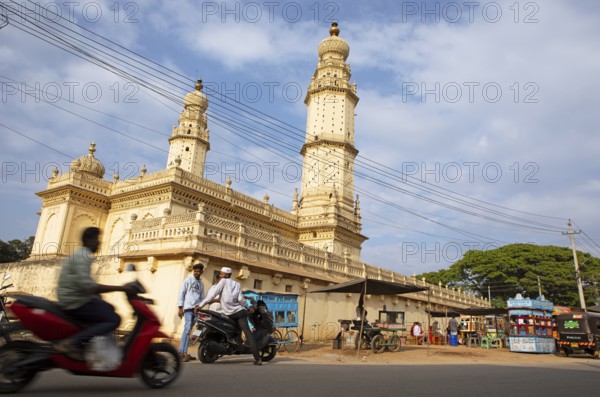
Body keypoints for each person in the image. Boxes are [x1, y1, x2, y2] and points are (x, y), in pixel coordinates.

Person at [55, 227, 134, 358]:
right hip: (74, 301)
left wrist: (98, 296)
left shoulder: (81, 255)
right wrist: (122, 288)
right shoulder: (83, 257)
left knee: (108, 308)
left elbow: (84, 284)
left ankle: (87, 344)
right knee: (114, 319)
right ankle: (73, 342)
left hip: (76, 298)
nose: (99, 243)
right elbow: (89, 286)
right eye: (97, 239)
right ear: (89, 240)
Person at [195, 266, 262, 365]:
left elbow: (212, 295)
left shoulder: (222, 282)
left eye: (222, 274)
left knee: (235, 330)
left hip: (228, 314)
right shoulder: (237, 284)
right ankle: (258, 359)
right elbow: (240, 300)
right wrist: (248, 307)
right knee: (248, 334)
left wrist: (200, 305)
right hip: (239, 313)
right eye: (220, 274)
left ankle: (234, 345)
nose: (220, 276)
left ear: (226, 275)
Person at [177, 263, 205, 362]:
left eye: (199, 271)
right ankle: (181, 353)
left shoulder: (201, 283)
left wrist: (200, 306)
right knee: (187, 328)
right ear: (193, 271)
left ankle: (185, 352)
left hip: (196, 310)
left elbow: (202, 297)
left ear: (201, 272)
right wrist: (180, 308)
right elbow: (182, 293)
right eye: (195, 271)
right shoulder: (188, 280)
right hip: (188, 309)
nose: (197, 273)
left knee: (191, 330)